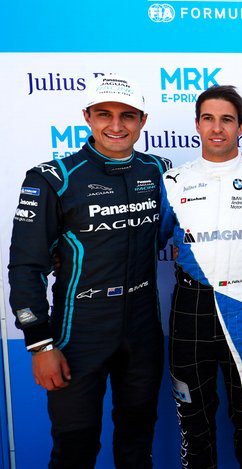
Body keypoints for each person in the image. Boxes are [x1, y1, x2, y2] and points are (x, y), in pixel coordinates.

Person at [8, 74, 171, 468]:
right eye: (104, 114)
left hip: (143, 326)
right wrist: (41, 345)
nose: (116, 126)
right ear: (87, 116)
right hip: (79, 330)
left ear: (143, 120)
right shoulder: (53, 178)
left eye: (127, 116)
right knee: (75, 448)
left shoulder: (159, 171)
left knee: (137, 443)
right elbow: (25, 267)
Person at [159, 85, 242, 468]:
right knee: (194, 422)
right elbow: (147, 239)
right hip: (190, 308)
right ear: (197, 124)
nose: (217, 128)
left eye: (227, 119)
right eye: (208, 118)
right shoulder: (173, 181)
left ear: (241, 126)